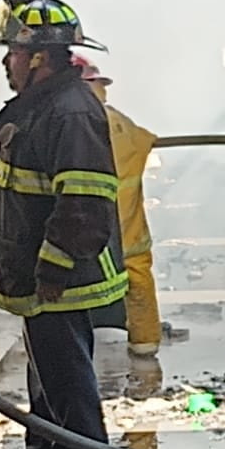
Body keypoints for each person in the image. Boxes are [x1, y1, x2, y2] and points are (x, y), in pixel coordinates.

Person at [0, 0, 127, 449]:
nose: (6, 61)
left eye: (13, 51)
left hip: (60, 272)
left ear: (39, 58)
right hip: (38, 268)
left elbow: (84, 200)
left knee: (65, 371)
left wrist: (55, 266)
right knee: (44, 365)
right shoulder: (43, 106)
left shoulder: (69, 112)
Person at [71, 56, 164, 357]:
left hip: (91, 225)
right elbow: (145, 141)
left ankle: (74, 347)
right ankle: (145, 341)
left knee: (74, 286)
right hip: (130, 227)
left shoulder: (74, 122)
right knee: (138, 279)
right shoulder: (120, 122)